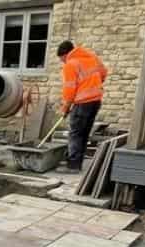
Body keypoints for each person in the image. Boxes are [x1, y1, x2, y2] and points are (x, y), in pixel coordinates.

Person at [57, 40, 107, 173]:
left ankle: (73, 166)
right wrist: (93, 84)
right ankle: (77, 163)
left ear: (65, 55)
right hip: (95, 101)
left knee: (75, 134)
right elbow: (104, 73)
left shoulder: (71, 64)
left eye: (62, 59)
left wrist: (65, 108)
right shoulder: (91, 57)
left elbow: (69, 90)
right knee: (84, 134)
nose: (63, 62)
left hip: (82, 103)